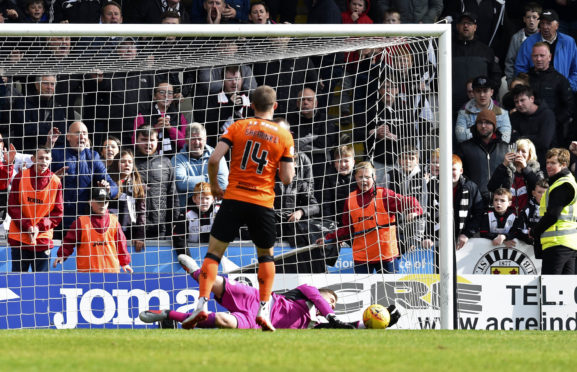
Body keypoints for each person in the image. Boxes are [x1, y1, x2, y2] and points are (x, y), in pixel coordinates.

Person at [184, 85, 295, 332]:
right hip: (263, 202)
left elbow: (213, 159)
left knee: (213, 254)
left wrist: (214, 186)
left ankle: (201, 304)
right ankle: (264, 309)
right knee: (266, 256)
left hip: (233, 198)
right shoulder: (284, 136)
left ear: (251, 105)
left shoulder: (237, 126)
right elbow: (287, 178)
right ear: (274, 106)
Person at [139, 255, 376, 330]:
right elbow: (320, 302)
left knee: (223, 321)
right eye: (332, 299)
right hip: (259, 299)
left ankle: (169, 314)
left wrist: (371, 324)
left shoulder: (312, 324)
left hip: (257, 321)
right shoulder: (308, 291)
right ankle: (195, 273)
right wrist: (331, 316)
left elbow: (346, 327)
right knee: (215, 281)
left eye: (334, 305)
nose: (331, 305)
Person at [318, 162, 423, 274]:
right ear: (355, 178)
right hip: (362, 257)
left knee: (389, 290)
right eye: (360, 177)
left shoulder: (384, 195)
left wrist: (415, 212)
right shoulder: (350, 199)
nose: (364, 180)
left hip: (386, 255)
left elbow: (411, 201)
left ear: (374, 177)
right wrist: (329, 239)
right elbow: (347, 229)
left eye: (367, 177)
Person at [51, 121, 118, 232]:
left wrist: (108, 190)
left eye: (84, 133)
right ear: (68, 137)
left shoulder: (93, 156)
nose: (82, 136)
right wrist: (53, 179)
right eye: (77, 133)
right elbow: (39, 181)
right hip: (57, 220)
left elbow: (113, 185)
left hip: (84, 222)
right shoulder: (56, 154)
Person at [7, 147, 63, 272]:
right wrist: (27, 225)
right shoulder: (20, 177)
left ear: (51, 161)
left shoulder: (55, 181)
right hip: (20, 237)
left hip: (42, 237)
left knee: (41, 282)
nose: (44, 161)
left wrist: (39, 227)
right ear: (33, 159)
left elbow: (57, 213)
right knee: (18, 280)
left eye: (47, 158)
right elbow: (12, 206)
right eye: (41, 158)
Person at [54, 187, 133, 273]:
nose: (102, 205)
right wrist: (62, 255)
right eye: (99, 202)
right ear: (90, 202)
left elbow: (121, 243)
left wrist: (125, 263)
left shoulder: (114, 221)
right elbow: (69, 241)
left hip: (112, 272)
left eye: (105, 202)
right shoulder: (80, 222)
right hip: (87, 274)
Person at [531, 148, 577, 274]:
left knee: (551, 288)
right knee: (565, 289)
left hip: (557, 244)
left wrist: (536, 230)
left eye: (553, 163)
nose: (548, 166)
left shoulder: (562, 184)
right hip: (569, 244)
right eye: (547, 163)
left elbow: (552, 215)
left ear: (563, 164)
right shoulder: (568, 181)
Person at [133, 124, 180, 240]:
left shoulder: (165, 162)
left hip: (159, 226)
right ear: (136, 140)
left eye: (152, 140)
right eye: (143, 140)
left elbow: (172, 195)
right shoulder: (129, 162)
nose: (148, 144)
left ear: (157, 141)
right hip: (133, 226)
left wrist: (174, 222)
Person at [451, 12, 502, 115]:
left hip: (481, 108)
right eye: (463, 23)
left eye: (469, 23)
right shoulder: (447, 49)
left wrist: (486, 95)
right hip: (452, 106)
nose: (466, 26)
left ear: (475, 27)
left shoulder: (486, 50)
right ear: (457, 26)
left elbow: (496, 75)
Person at [515, 9, 577, 91]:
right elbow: (520, 69)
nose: (545, 27)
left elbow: (575, 70)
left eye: (548, 23)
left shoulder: (569, 42)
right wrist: (531, 88)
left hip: (562, 90)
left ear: (557, 26)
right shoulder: (528, 43)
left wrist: (568, 86)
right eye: (542, 23)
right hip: (536, 91)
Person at [526, 42, 574, 146]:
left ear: (550, 57)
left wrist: (553, 121)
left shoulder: (560, 80)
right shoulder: (526, 78)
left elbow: (569, 107)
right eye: (535, 56)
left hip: (553, 133)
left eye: (542, 56)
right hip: (529, 129)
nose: (538, 59)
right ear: (531, 57)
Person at [457, 109, 508, 206]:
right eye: (480, 123)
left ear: (494, 126)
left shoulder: (505, 148)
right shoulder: (465, 147)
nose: (483, 126)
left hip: (499, 203)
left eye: (487, 123)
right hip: (474, 202)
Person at [171, 122, 229, 209]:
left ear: (205, 139)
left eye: (200, 139)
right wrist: (212, 179)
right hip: (186, 210)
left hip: (215, 209)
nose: (196, 142)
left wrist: (190, 181)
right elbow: (181, 183)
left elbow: (223, 182)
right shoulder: (177, 159)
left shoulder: (217, 155)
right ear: (186, 140)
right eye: (193, 139)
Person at [386, 147, 427, 255]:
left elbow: (423, 209)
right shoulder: (389, 175)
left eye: (411, 158)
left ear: (417, 160)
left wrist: (416, 238)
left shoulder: (420, 178)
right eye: (404, 158)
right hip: (392, 231)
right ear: (399, 159)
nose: (408, 161)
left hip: (412, 232)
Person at [487, 138, 544, 215]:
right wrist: (504, 165)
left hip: (528, 216)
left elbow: (540, 190)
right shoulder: (505, 169)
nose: (519, 154)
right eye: (517, 150)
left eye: (523, 151)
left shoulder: (536, 171)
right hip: (507, 216)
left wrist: (525, 168)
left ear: (530, 155)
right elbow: (491, 187)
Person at [107, 149, 146, 252]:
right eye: (123, 162)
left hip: (130, 233)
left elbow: (141, 213)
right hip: (110, 232)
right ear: (116, 164)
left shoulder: (138, 186)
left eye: (130, 162)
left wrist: (140, 236)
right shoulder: (109, 184)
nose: (126, 164)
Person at [133, 81, 187, 155]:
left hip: (175, 159)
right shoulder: (142, 115)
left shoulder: (179, 116)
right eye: (162, 92)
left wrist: (170, 128)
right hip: (148, 159)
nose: (166, 95)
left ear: (173, 97)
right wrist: (155, 129)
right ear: (154, 96)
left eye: (170, 93)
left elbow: (185, 144)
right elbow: (135, 142)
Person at [508, 85, 555, 167]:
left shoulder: (547, 115)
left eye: (522, 100)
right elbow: (511, 142)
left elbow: (544, 142)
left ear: (532, 99)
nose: (519, 104)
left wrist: (520, 137)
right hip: (519, 163)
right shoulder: (514, 116)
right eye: (516, 102)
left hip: (544, 163)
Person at [455, 75, 511, 144]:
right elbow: (461, 138)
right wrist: (490, 134)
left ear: (491, 92)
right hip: (471, 153)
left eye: (485, 91)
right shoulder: (463, 113)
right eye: (478, 91)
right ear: (474, 93)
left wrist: (473, 132)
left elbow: (505, 139)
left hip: (495, 152)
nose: (482, 94)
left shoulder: (502, 113)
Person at [504, 3, 541, 87]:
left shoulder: (544, 37)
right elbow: (510, 62)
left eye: (534, 17)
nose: (531, 20)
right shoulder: (516, 38)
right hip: (521, 80)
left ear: (539, 19)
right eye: (528, 17)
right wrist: (510, 82)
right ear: (524, 19)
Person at [321, 145, 356, 227]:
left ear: (353, 162)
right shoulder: (328, 177)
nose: (342, 164)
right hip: (336, 221)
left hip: (356, 220)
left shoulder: (359, 176)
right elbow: (326, 203)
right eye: (339, 161)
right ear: (334, 163)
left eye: (346, 161)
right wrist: (329, 223)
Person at [514, 178, 548, 246]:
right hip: (530, 250)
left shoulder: (554, 209)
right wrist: (530, 236)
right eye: (539, 192)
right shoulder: (527, 209)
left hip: (550, 246)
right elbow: (519, 230)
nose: (542, 195)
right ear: (533, 193)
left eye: (545, 193)